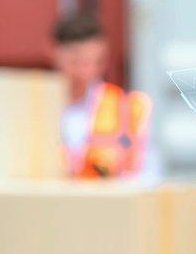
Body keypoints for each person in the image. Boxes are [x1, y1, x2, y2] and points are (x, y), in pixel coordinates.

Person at [51, 12, 154, 180]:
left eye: (96, 62)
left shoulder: (127, 108)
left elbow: (149, 173)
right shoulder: (33, 109)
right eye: (77, 62)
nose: (87, 72)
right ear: (55, 53)